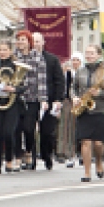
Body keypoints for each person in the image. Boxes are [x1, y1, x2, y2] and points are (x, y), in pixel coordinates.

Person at [72, 43, 104, 182]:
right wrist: (74, 97)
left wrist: (100, 92)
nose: (89, 55)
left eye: (92, 53)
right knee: (85, 141)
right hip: (84, 109)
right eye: (87, 53)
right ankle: (87, 172)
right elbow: (73, 88)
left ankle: (98, 161)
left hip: (100, 109)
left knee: (98, 143)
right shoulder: (80, 70)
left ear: (98, 55)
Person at [0, 40, 25, 174]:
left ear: (10, 51)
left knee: (9, 133)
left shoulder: (16, 66)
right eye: (0, 50)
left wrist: (13, 88)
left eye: (5, 50)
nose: (2, 52)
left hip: (12, 104)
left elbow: (24, 86)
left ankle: (9, 160)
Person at [12, 30, 48, 171]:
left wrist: (43, 99)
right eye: (18, 40)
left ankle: (28, 151)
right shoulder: (14, 57)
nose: (20, 42)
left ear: (29, 42)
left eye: (23, 39)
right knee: (15, 128)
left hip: (32, 98)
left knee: (28, 128)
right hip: (16, 97)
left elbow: (42, 80)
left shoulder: (38, 57)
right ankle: (18, 157)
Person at [30, 32, 65, 170]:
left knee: (47, 132)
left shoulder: (52, 60)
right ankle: (31, 158)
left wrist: (58, 99)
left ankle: (47, 155)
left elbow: (59, 81)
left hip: (49, 101)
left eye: (38, 41)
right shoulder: (26, 59)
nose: (36, 44)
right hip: (32, 100)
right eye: (33, 41)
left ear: (43, 43)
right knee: (29, 130)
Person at [57, 53, 81, 168]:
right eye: (74, 60)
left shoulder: (81, 73)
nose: (75, 62)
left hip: (79, 102)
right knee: (64, 127)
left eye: (77, 60)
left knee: (74, 128)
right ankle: (62, 151)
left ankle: (73, 152)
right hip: (67, 101)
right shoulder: (68, 73)